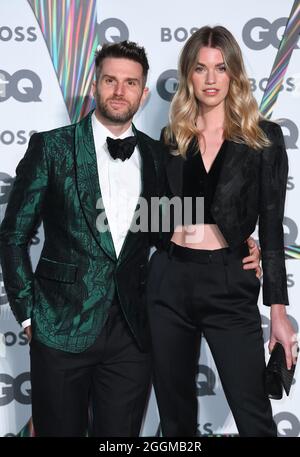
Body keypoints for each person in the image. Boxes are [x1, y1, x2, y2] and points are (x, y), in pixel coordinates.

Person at [0, 39, 260, 437]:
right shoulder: (52, 147)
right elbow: (14, 235)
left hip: (133, 334)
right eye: (111, 80)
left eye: (131, 83)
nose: (120, 91)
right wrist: (30, 314)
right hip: (59, 327)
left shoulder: (161, 154)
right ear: (95, 86)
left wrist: (243, 244)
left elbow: (177, 224)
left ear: (142, 91)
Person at [147, 26, 297, 437]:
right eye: (201, 69)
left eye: (221, 68)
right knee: (174, 420)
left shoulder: (262, 138)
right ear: (188, 75)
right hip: (169, 282)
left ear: (234, 75)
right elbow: (156, 220)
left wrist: (279, 315)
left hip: (230, 283)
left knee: (254, 416)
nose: (211, 79)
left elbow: (270, 223)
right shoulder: (171, 138)